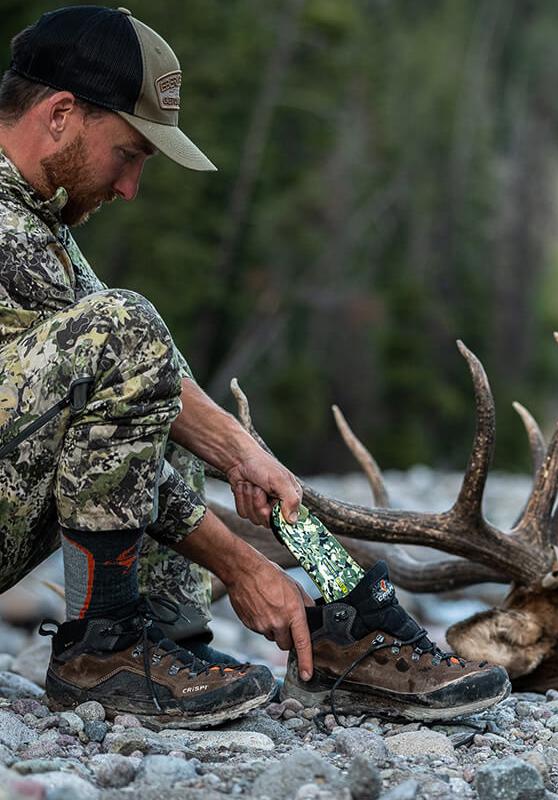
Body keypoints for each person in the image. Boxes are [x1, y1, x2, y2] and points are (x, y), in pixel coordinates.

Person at [0, 5, 509, 729]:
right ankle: (101, 653)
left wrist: (247, 458)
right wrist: (242, 566)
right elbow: (121, 412)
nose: (130, 187)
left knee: (146, 368)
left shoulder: (34, 212)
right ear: (60, 115)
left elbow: (143, 394)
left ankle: (234, 636)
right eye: (129, 153)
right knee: (126, 333)